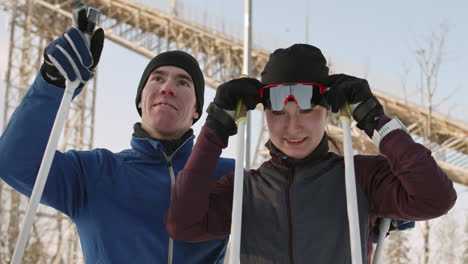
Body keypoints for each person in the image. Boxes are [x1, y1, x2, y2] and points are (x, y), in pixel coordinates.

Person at [165, 43, 457, 263]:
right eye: (278, 112)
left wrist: (373, 119)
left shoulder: (360, 178)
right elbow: (182, 224)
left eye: (306, 110)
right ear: (264, 114)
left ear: (327, 111)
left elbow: (435, 197)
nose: (293, 127)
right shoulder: (245, 190)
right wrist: (215, 128)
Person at [0, 3, 234, 264]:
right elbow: (15, 163)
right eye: (157, 78)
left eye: (182, 82)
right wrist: (52, 82)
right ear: (140, 101)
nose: (168, 88)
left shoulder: (227, 178)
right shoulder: (94, 172)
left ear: (196, 110)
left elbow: (284, 199)